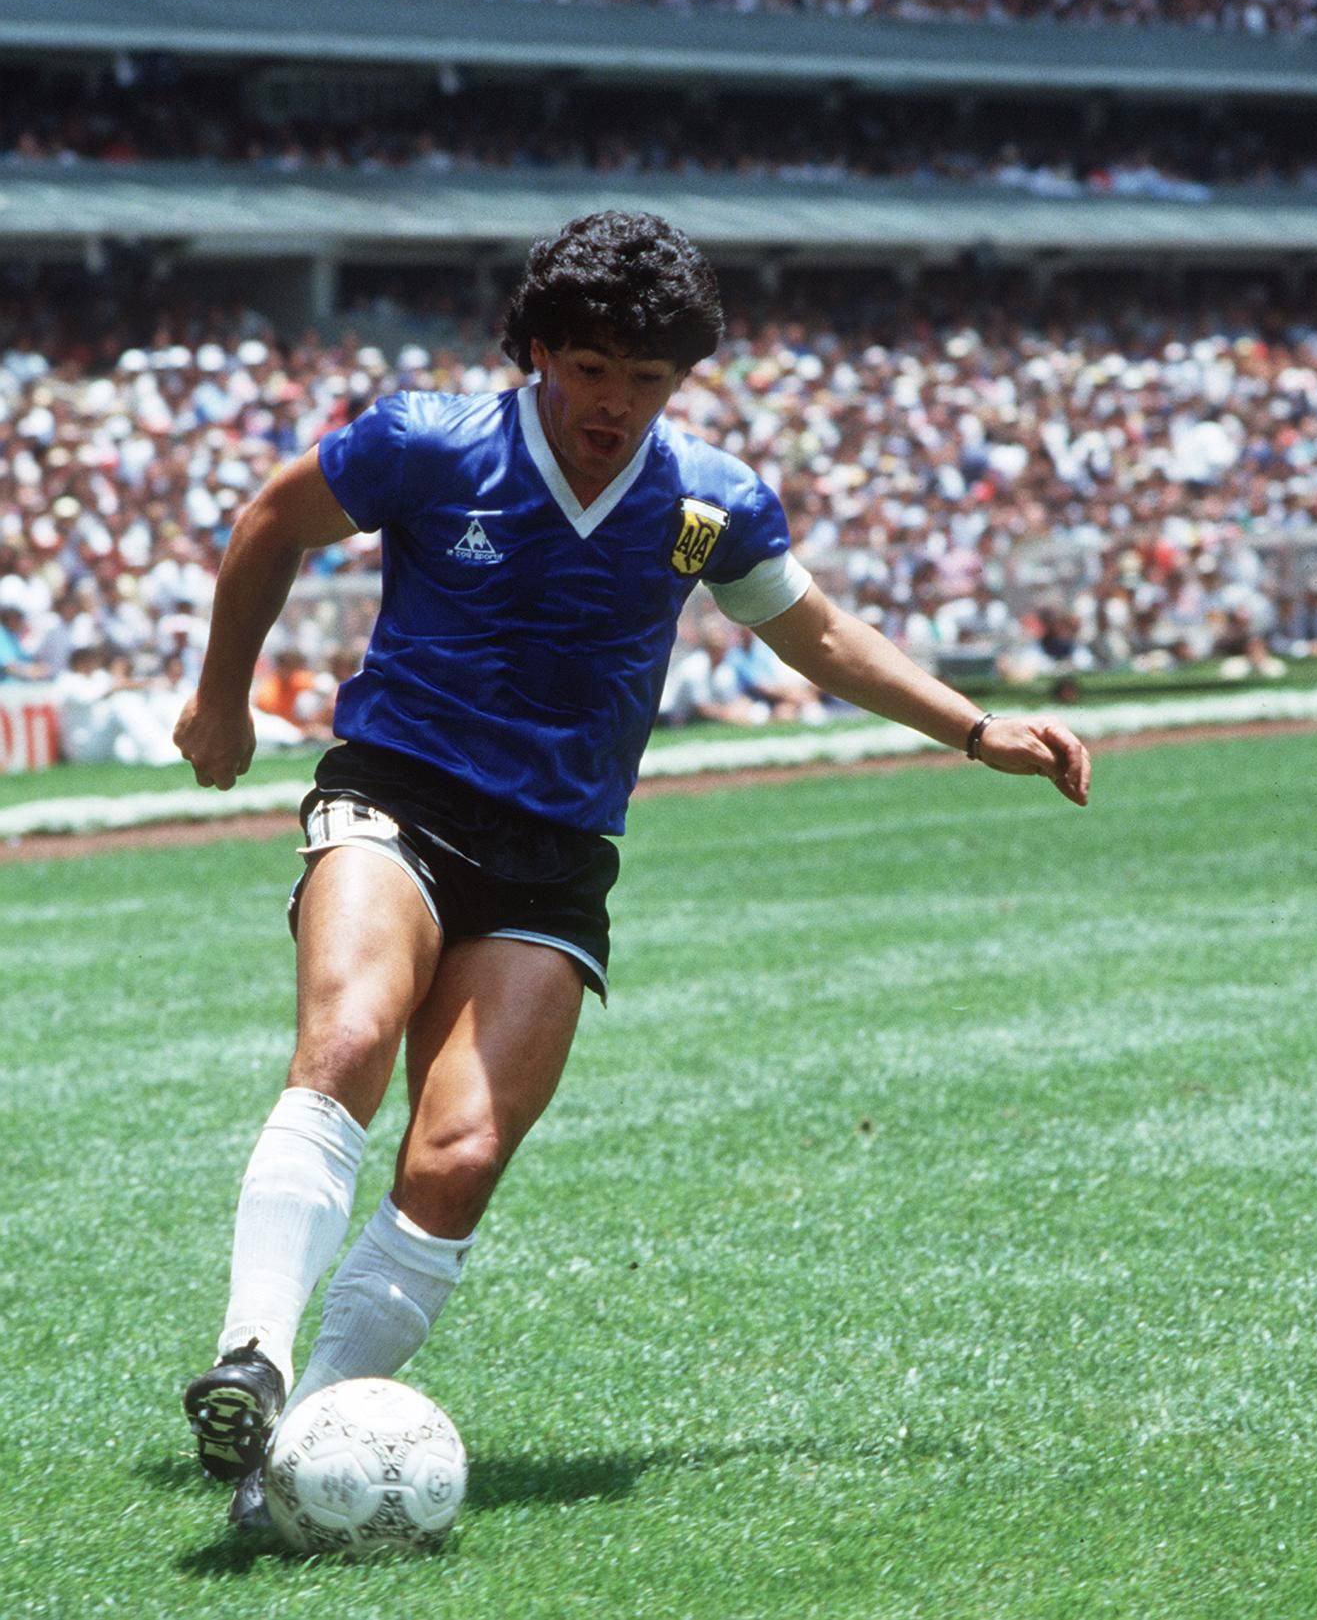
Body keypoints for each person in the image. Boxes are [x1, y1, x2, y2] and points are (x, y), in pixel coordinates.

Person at [173, 211, 1091, 1532]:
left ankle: (285, 1448)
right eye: (593, 367)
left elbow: (815, 632)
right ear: (541, 351)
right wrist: (222, 702)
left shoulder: (705, 500)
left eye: (647, 379)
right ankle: (251, 1349)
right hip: (398, 794)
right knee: (352, 1030)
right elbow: (272, 521)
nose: (616, 402)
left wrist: (974, 725)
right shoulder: (429, 443)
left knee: (459, 1156)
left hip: (555, 854)